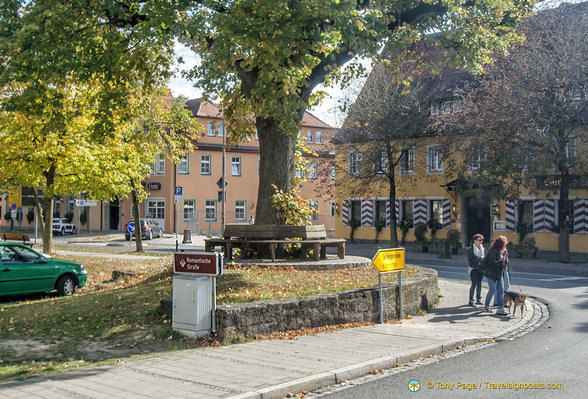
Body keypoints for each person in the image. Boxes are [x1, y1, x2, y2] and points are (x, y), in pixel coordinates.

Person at [484, 235, 509, 315]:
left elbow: (501, 262)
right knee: (492, 289)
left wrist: (504, 261)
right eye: (504, 243)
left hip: (499, 274)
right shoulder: (493, 251)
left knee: (501, 291)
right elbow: (492, 263)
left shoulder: (499, 251)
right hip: (492, 274)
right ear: (500, 244)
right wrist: (501, 262)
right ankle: (487, 305)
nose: (505, 245)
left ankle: (500, 308)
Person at [467, 234, 485, 307]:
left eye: (482, 240)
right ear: (475, 241)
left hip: (480, 269)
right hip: (473, 268)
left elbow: (484, 258)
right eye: (479, 240)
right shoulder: (470, 249)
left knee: (479, 284)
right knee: (474, 284)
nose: (481, 242)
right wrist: (480, 258)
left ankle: (479, 299)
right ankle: (471, 300)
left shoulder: (482, 249)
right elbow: (470, 260)